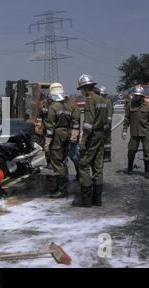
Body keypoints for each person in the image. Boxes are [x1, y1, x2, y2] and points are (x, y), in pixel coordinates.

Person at [72, 74, 108, 207]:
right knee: (98, 167)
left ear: (86, 88)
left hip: (91, 137)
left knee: (84, 166)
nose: (81, 92)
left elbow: (87, 124)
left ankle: (86, 200)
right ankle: (97, 200)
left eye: (81, 89)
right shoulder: (103, 100)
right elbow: (105, 123)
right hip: (100, 136)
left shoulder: (90, 100)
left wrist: (82, 141)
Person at [44, 83, 78, 199]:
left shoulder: (53, 108)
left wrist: (47, 143)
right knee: (63, 160)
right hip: (67, 134)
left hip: (57, 136)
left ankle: (61, 190)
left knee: (57, 162)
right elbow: (75, 123)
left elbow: (50, 128)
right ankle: (62, 187)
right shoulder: (70, 106)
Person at [122, 85, 149, 178]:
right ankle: (130, 168)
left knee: (146, 151)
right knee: (131, 151)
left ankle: (147, 171)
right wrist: (124, 130)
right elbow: (127, 119)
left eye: (137, 95)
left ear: (142, 96)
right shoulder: (130, 105)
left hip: (145, 132)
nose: (135, 97)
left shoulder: (148, 106)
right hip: (134, 133)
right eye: (135, 95)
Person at [37, 94, 53, 168]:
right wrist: (39, 127)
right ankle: (49, 161)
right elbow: (39, 117)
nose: (50, 100)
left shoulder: (56, 104)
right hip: (46, 128)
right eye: (49, 98)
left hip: (54, 128)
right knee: (47, 146)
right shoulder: (43, 105)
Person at [99, 85, 113, 162]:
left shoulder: (108, 101)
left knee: (107, 140)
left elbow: (109, 114)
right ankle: (101, 155)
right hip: (100, 124)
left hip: (106, 124)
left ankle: (107, 156)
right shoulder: (99, 101)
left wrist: (108, 124)